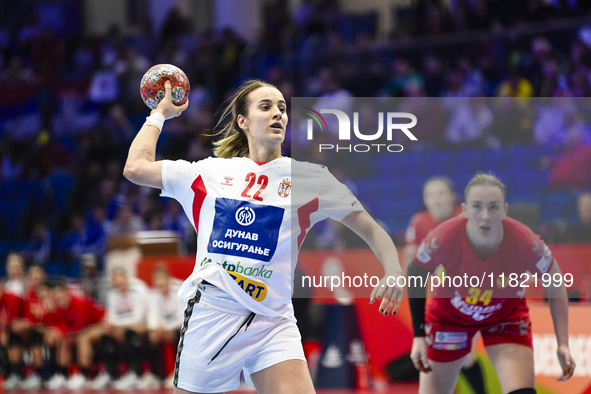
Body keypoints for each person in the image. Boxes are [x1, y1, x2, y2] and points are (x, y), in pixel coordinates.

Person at [123, 79, 404, 394]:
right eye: (266, 106)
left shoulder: (311, 179)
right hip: (214, 313)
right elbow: (135, 167)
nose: (278, 114)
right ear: (242, 121)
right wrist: (159, 114)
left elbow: (372, 229)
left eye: (282, 108)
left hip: (273, 319)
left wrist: (393, 270)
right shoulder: (207, 173)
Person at [407, 173, 575, 394]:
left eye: (494, 207)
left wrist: (562, 342)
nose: (485, 216)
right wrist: (419, 335)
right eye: (477, 207)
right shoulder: (443, 237)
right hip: (450, 319)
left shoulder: (526, 241)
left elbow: (555, 282)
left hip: (504, 316)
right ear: (465, 209)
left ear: (504, 210)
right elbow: (415, 272)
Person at [404, 177, 485, 394]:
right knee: (451, 356)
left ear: (452, 197)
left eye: (441, 194)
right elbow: (413, 266)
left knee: (467, 355)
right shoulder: (418, 223)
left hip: (478, 294)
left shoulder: (470, 218)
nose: (436, 200)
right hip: (442, 300)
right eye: (430, 195)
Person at [139, 266, 184, 389]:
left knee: (179, 334)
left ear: (168, 279)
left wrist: (165, 329)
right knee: (149, 336)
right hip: (162, 329)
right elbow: (152, 316)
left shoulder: (180, 289)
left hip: (179, 326)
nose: (160, 284)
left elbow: (182, 317)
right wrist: (155, 330)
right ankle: (155, 375)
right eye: (157, 281)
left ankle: (178, 373)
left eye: (162, 280)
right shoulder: (154, 294)